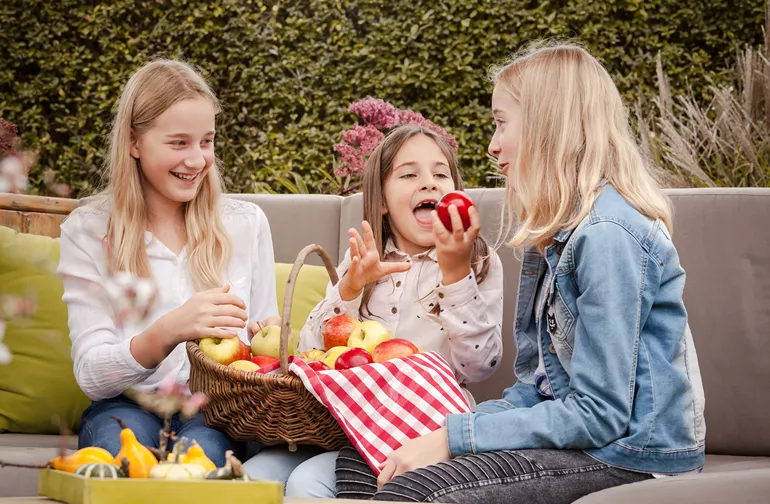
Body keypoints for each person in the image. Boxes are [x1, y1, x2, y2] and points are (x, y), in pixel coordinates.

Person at [334, 42, 706, 503]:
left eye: (501, 123)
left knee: (417, 488)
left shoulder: (608, 236)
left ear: (550, 127)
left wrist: (452, 437)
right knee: (367, 456)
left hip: (624, 452)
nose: (491, 145)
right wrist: (442, 429)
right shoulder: (554, 235)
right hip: (581, 437)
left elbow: (601, 415)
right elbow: (538, 387)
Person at [243, 123, 505, 498]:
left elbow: (479, 366)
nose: (429, 183)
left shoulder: (476, 262)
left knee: (308, 482)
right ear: (381, 201)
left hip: (426, 428)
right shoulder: (367, 263)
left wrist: (455, 274)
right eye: (410, 174)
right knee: (251, 476)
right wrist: (351, 287)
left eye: (441, 173)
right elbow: (308, 350)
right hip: (347, 424)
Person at [57, 59, 279, 467]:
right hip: (125, 406)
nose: (196, 160)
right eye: (179, 143)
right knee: (117, 457)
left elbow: (269, 341)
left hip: (217, 412)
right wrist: (169, 330)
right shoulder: (87, 232)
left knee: (202, 460)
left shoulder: (245, 225)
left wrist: (271, 341)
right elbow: (90, 374)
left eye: (206, 142)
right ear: (134, 142)